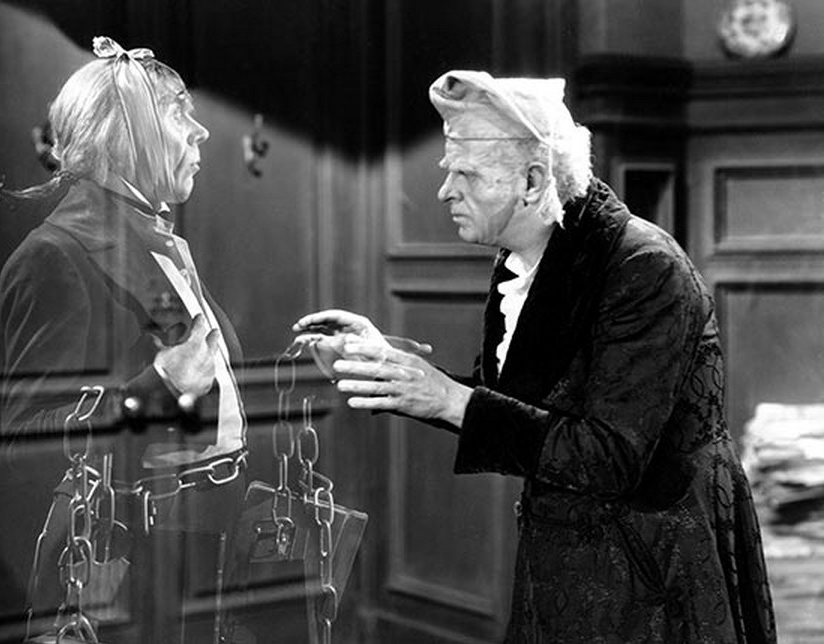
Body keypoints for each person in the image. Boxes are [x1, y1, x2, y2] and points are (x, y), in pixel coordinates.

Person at [294, 70, 778, 643]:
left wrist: (449, 398)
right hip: (571, 559)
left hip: (654, 573)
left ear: (532, 181)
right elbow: (515, 407)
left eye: (466, 174)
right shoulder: (529, 258)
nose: (445, 191)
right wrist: (386, 368)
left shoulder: (644, 266)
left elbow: (610, 456)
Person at [0, 37, 248, 643]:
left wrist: (310, 363)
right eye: (179, 113)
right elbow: (23, 440)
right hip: (128, 573)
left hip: (205, 552)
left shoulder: (154, 237)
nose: (201, 133)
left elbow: (214, 383)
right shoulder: (53, 254)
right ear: (126, 134)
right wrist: (156, 387)